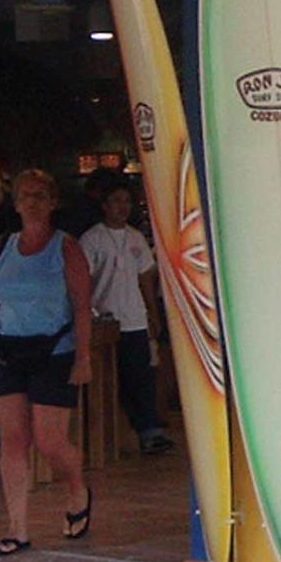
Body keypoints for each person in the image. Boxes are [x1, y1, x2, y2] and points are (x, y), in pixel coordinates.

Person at [0, 169, 93, 554]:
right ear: (16, 202)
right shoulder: (5, 245)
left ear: (53, 202)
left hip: (53, 352)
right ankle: (17, 529)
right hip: (8, 350)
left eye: (40, 195)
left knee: (50, 441)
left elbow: (82, 305)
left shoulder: (66, 247)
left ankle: (78, 489)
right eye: (26, 195)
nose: (32, 202)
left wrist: (83, 357)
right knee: (13, 439)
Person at [77, 175, 173, 455]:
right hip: (105, 319)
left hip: (134, 319)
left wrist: (151, 314)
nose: (123, 207)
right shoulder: (92, 238)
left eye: (127, 201)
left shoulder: (135, 238)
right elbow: (83, 280)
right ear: (105, 205)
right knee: (106, 381)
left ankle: (149, 432)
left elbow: (146, 276)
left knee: (141, 379)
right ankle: (105, 437)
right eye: (117, 201)